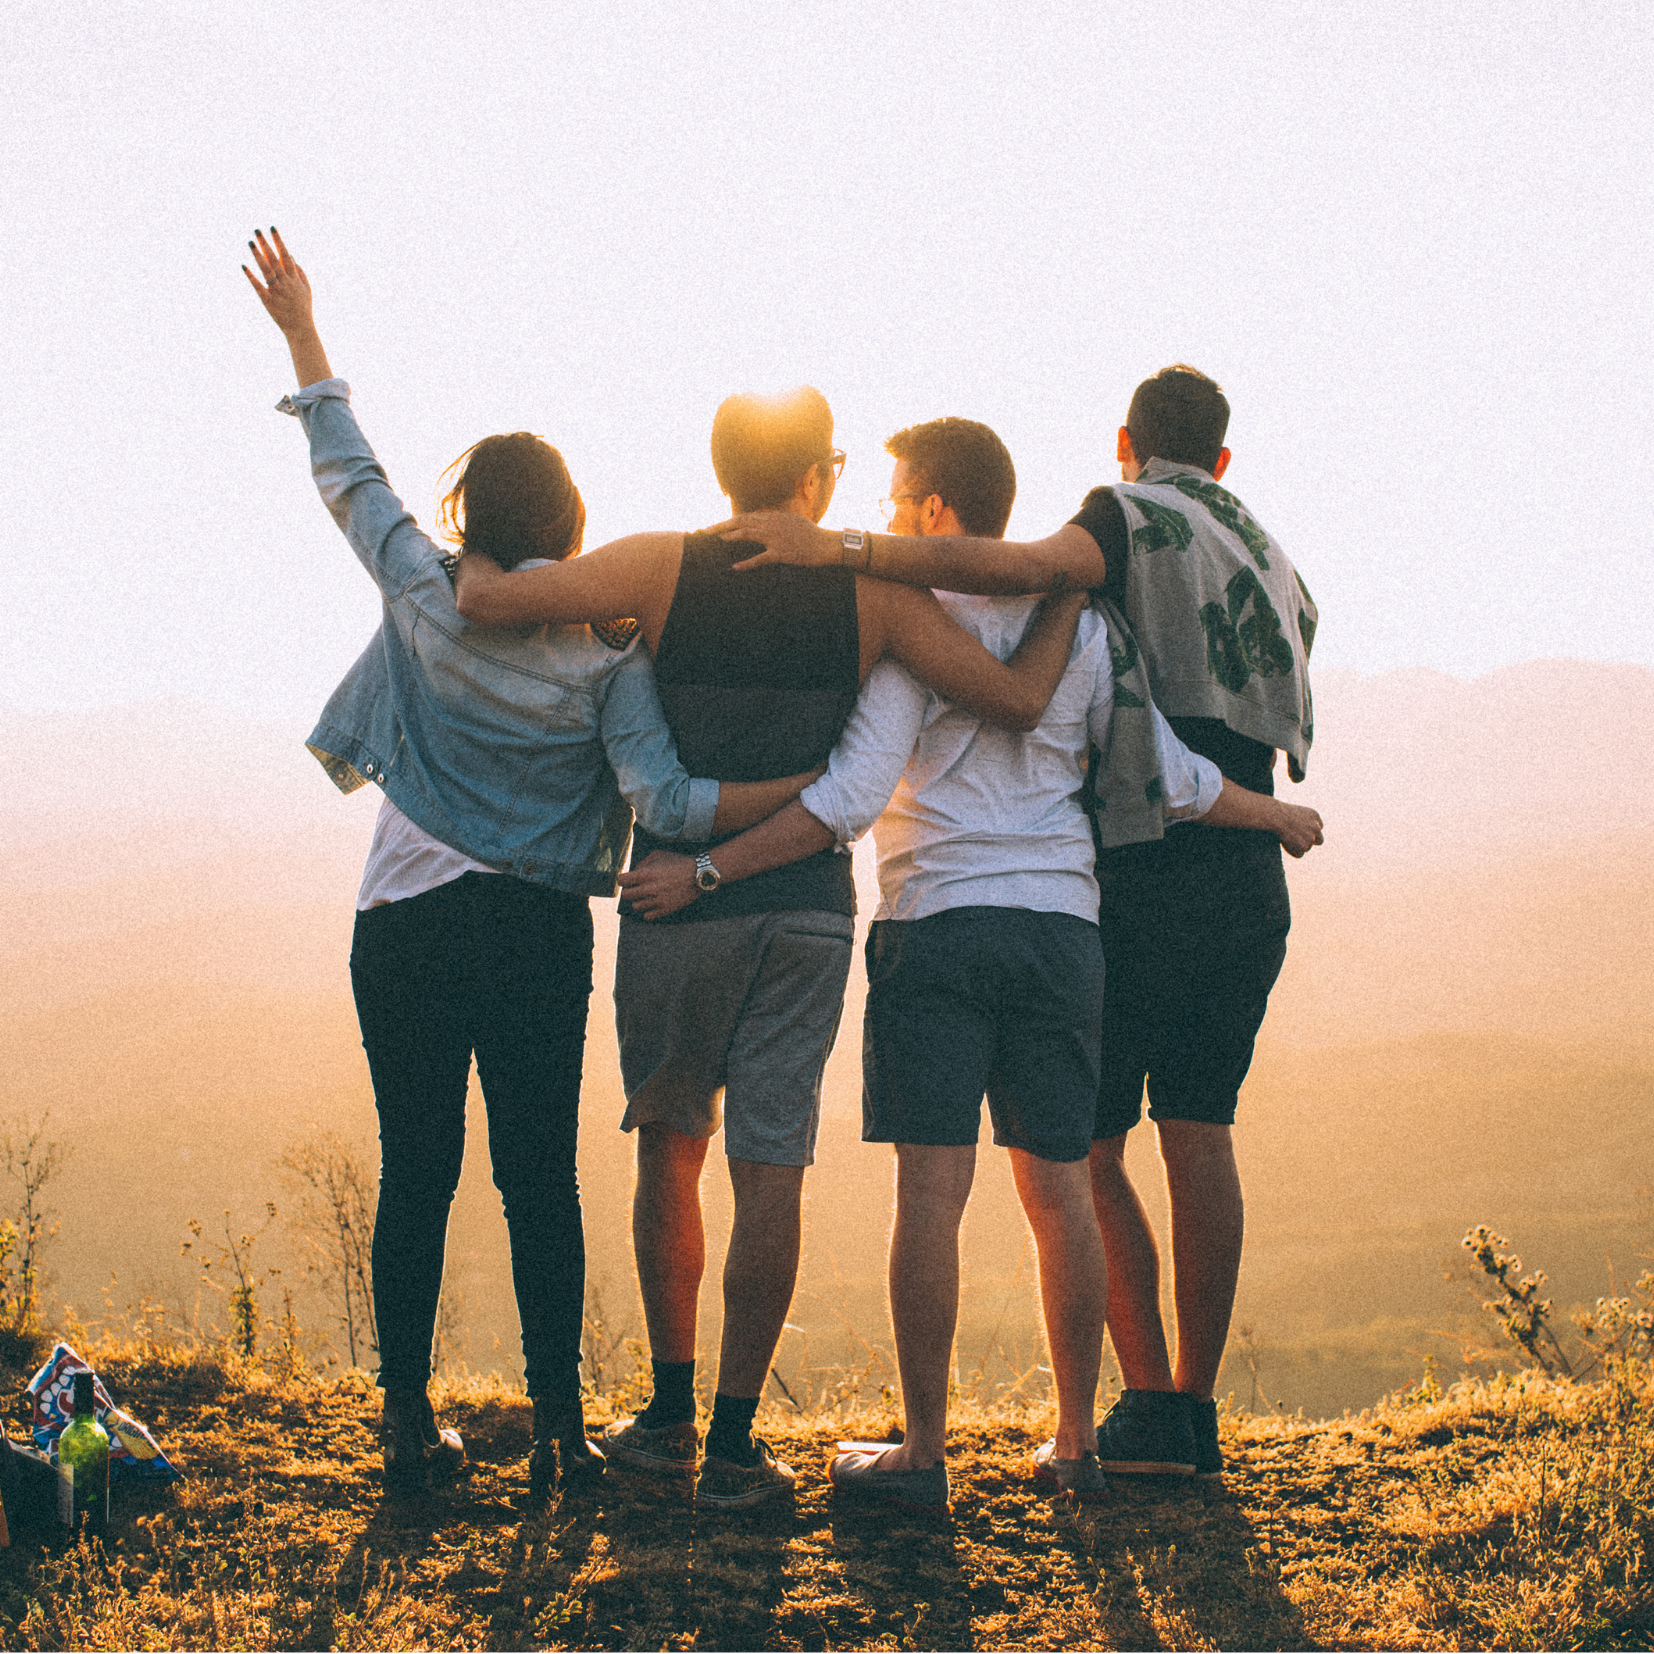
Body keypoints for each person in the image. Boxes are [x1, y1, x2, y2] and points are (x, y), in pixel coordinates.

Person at [620, 416, 1322, 1508]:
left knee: (931, 1197)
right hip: (1063, 934)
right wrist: (1270, 813)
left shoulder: (910, 632)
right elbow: (1167, 773)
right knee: (1061, 1196)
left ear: (937, 513)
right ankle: (1079, 1444)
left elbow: (848, 800)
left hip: (937, 926)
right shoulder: (1080, 628)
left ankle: (924, 1455)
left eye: (901, 502)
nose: (889, 518)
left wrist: (708, 870)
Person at [244, 228, 823, 1504]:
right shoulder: (604, 648)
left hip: (402, 914)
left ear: (469, 517)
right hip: (536, 933)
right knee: (536, 1179)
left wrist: (302, 332)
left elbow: (350, 475)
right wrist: (814, 790)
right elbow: (663, 798)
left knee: (416, 1168)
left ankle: (406, 1424)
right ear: (569, 523)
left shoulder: (424, 588)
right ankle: (560, 1430)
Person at [451, 397, 1083, 1510]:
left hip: (672, 906)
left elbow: (495, 599)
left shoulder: (655, 567)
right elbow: (1016, 699)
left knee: (669, 1146)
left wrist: (473, 541)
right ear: (815, 483)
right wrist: (1076, 583)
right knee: (770, 1164)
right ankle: (738, 1444)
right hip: (805, 911)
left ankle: (667, 1416)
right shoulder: (873, 594)